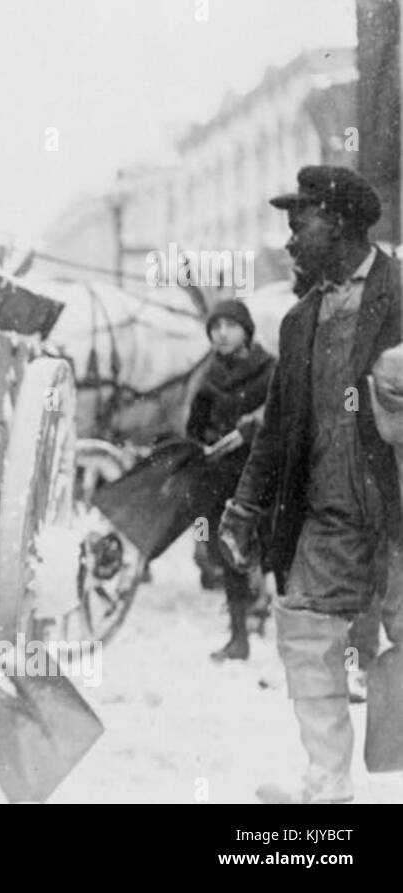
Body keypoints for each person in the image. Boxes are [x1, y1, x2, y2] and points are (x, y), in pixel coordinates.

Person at [220, 166, 403, 803]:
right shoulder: (300, 321)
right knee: (303, 633)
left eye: (302, 222)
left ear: (343, 223)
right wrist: (244, 507)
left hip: (401, 511)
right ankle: (327, 784)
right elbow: (275, 430)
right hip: (330, 514)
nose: (291, 237)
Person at [185, 299, 274, 661]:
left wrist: (251, 430)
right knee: (227, 551)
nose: (221, 334)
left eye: (230, 326)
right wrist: (201, 447)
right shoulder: (210, 377)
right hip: (222, 478)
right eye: (215, 327)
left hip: (264, 476)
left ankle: (279, 624)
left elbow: (287, 414)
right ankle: (239, 639)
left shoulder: (270, 370)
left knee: (270, 549)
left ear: (246, 331)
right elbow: (195, 427)